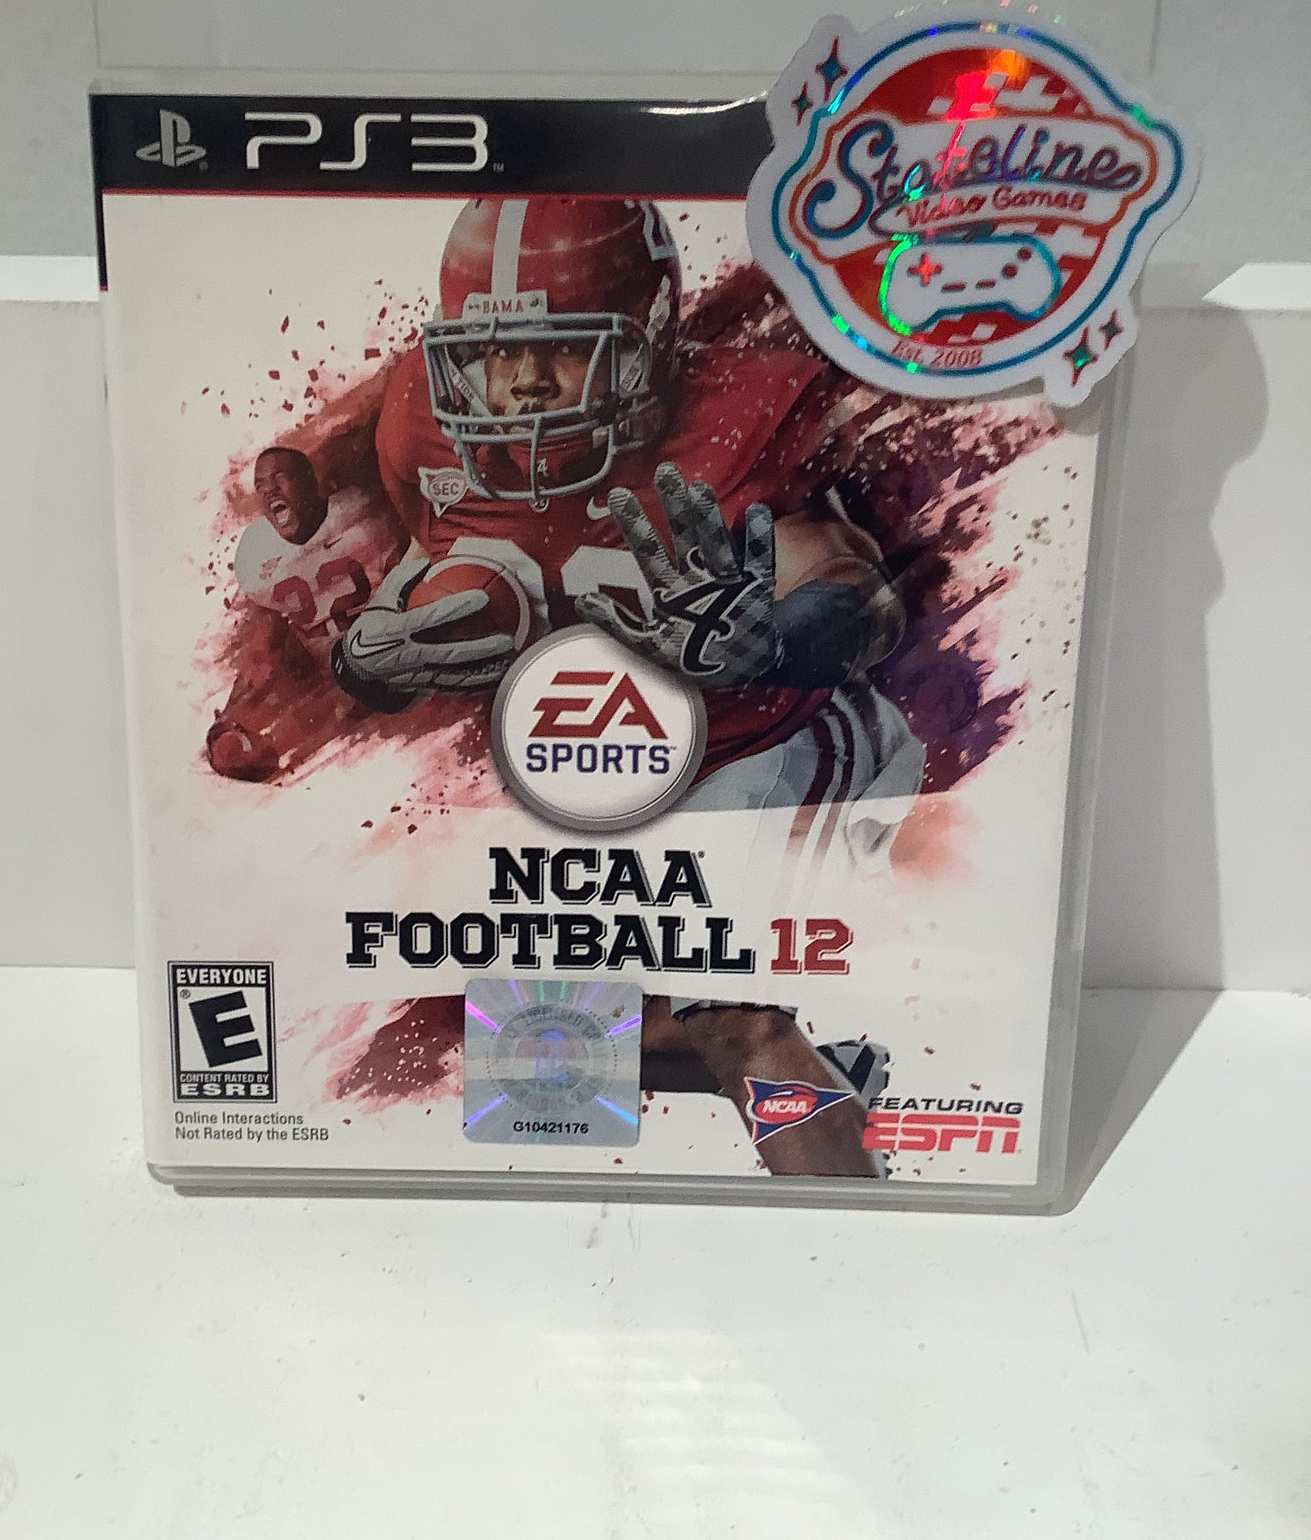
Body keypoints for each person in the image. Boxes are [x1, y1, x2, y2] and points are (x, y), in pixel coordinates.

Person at [334, 198, 924, 1173]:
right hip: (594, 769)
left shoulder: (737, 414)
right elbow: (428, 561)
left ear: (648, 337)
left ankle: (854, 1233)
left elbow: (852, 581)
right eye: (492, 353)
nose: (519, 384)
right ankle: (818, 1087)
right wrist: (372, 658)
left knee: (731, 1011)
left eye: (562, 349)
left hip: (767, 739)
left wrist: (781, 638)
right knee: (528, 1035)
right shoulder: (421, 419)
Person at [206, 446, 404, 779]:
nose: (269, 490)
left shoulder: (363, 510)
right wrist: (230, 714)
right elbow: (266, 647)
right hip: (337, 677)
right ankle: (251, 748)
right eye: (260, 485)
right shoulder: (256, 555)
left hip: (399, 646)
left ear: (312, 482)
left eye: (279, 478)